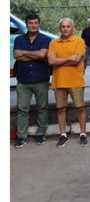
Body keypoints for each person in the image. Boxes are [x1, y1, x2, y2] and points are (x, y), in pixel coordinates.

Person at [13, 13, 52, 147]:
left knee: (42, 107)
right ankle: (22, 136)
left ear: (39, 24)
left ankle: (40, 134)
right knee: (22, 109)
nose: (33, 25)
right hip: (23, 80)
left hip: (41, 78)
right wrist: (37, 55)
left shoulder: (46, 39)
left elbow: (43, 55)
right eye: (31, 23)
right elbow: (17, 56)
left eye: (36, 23)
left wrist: (24, 53)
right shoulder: (19, 39)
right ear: (27, 24)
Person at [48, 18, 88, 147]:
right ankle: (63, 135)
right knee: (60, 109)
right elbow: (51, 61)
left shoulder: (79, 41)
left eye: (68, 26)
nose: (65, 29)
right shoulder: (54, 43)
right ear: (60, 28)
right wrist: (69, 58)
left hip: (75, 81)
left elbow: (76, 60)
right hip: (59, 81)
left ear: (73, 28)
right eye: (63, 26)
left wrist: (59, 60)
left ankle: (83, 134)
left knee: (80, 108)